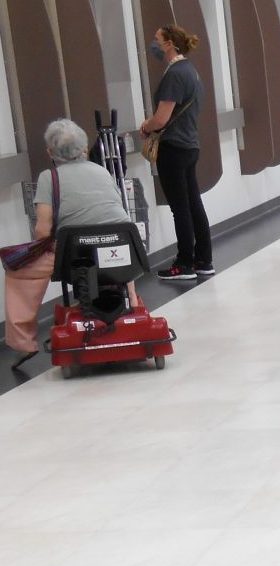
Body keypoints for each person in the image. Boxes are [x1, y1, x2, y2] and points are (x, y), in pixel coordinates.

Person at [5, 118, 132, 368]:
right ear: (84, 149)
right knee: (117, 262)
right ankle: (131, 306)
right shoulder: (102, 171)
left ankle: (23, 343)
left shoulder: (48, 177)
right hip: (121, 250)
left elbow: (43, 229)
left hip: (75, 256)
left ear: (50, 153)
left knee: (18, 272)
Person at [139, 23, 212, 281]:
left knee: (179, 207)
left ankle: (184, 264)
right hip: (191, 145)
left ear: (169, 43)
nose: (154, 44)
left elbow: (161, 119)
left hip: (174, 148)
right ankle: (204, 259)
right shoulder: (191, 71)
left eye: (157, 39)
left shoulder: (174, 75)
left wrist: (146, 126)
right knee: (193, 203)